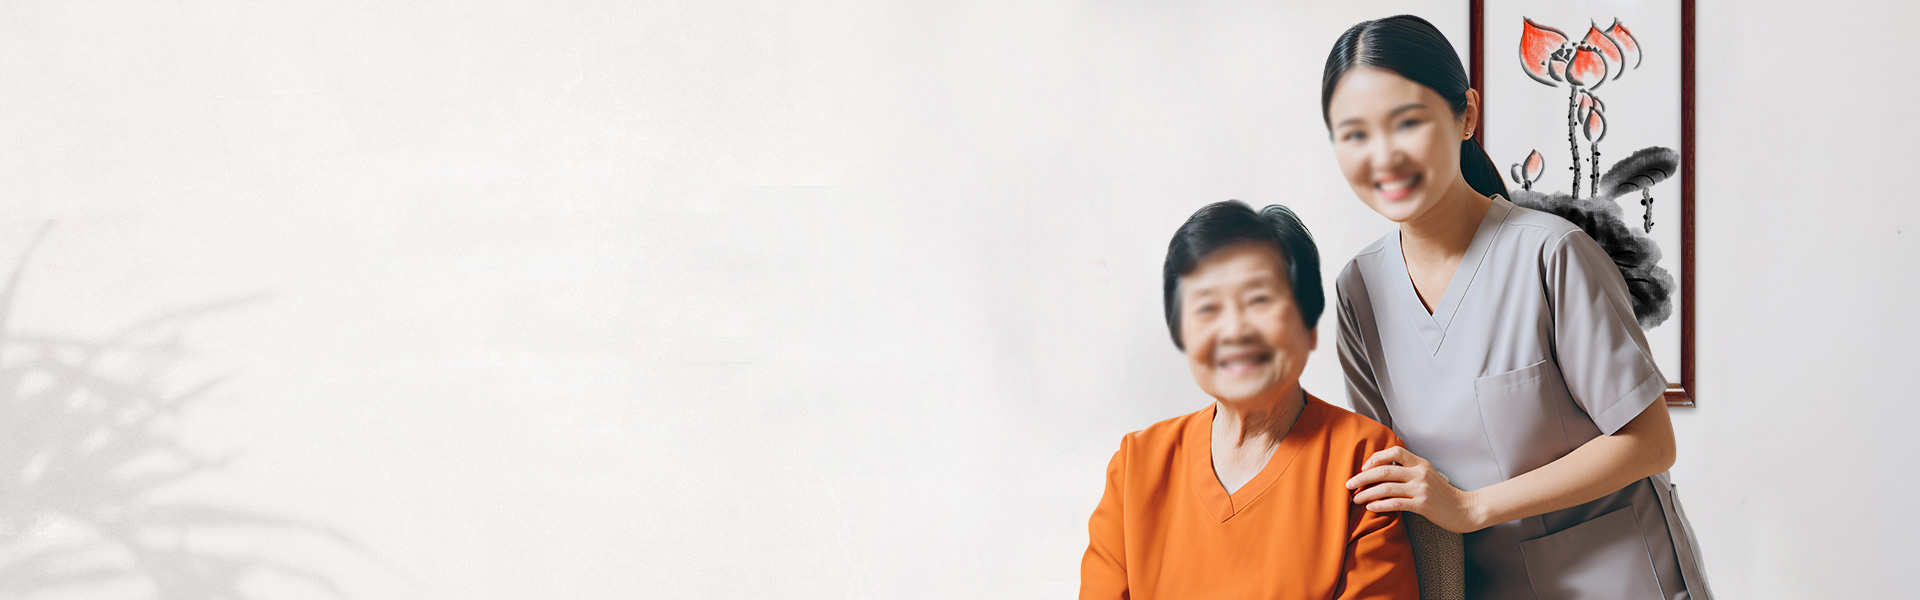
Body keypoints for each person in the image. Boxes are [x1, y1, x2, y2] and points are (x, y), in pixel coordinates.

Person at [1321, 15, 1712, 600]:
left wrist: (1470, 507)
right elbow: (1390, 475)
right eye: (1354, 134)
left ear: (1466, 116)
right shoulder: (1360, 290)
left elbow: (1651, 442)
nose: (1384, 156)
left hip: (1619, 581)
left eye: (1407, 122)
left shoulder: (1553, 253)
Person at [1080, 201, 1419, 600]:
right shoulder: (1136, 465)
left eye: (1260, 301)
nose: (1235, 331)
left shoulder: (1365, 459)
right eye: (1207, 308)